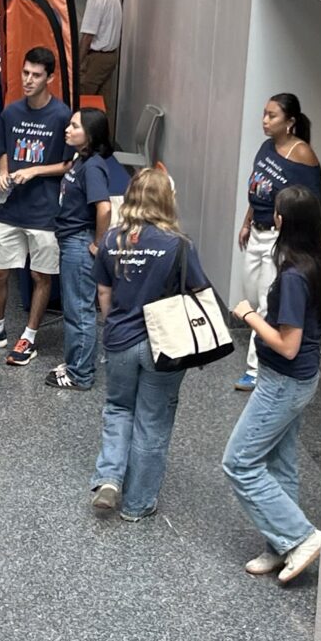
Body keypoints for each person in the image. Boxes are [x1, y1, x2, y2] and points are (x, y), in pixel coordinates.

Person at [224, 184, 321, 583]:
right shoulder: (320, 260)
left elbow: (287, 345)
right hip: (301, 381)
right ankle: (282, 545)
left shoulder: (293, 276)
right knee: (280, 462)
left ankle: (300, 536)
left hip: (282, 382)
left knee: (238, 462)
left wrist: (248, 315)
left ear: (283, 222)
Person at [91, 168, 202, 523]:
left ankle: (109, 478)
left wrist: (113, 326)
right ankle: (138, 504)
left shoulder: (111, 241)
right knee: (152, 420)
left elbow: (104, 293)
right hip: (164, 346)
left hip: (120, 340)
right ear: (165, 200)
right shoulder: (178, 245)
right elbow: (198, 293)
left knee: (119, 409)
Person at [0, 48, 71, 367]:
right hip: (11, 207)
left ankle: (30, 336)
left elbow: (68, 164)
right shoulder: (11, 113)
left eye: (36, 75)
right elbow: (4, 151)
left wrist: (35, 170)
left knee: (40, 275)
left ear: (50, 78)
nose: (28, 80)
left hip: (44, 210)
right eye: (25, 73)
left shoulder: (62, 115)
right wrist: (4, 172)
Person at [235, 93, 321, 391]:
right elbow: (257, 186)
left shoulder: (302, 155)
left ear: (290, 122)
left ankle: (255, 370)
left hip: (278, 236)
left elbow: (309, 202)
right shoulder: (266, 147)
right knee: (252, 294)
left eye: (272, 116)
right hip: (257, 231)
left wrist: (294, 241)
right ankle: (260, 356)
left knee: (266, 302)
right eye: (264, 114)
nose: (265, 120)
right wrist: (247, 221)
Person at [49, 108, 130, 392]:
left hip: (80, 243)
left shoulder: (93, 166)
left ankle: (80, 374)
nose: (67, 130)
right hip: (71, 240)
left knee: (79, 310)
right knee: (75, 307)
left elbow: (104, 207)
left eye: (75, 126)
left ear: (91, 134)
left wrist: (97, 243)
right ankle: (75, 364)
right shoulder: (80, 160)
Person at [78, 0, 124, 133]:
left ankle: (84, 141)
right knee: (104, 105)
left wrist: (78, 62)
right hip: (111, 56)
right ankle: (105, 144)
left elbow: (88, 36)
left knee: (84, 100)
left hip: (96, 58)